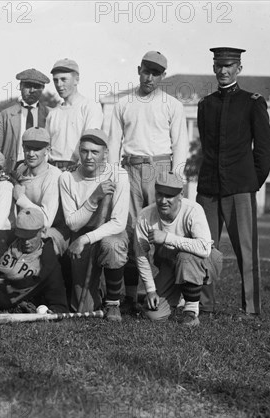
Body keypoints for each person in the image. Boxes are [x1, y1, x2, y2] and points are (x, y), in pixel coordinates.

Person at [107, 51, 189, 311]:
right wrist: (113, 173)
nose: (149, 77)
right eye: (146, 71)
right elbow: (112, 143)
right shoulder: (123, 103)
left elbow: (180, 143)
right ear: (138, 70)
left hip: (161, 169)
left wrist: (176, 176)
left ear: (163, 76)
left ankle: (174, 293)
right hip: (131, 168)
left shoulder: (172, 104)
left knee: (166, 231)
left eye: (156, 73)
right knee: (132, 231)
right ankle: (131, 295)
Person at [196, 47, 270, 318]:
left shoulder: (252, 102)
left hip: (240, 189)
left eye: (229, 65)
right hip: (208, 189)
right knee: (203, 245)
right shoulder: (205, 104)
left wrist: (250, 183)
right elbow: (207, 145)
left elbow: (265, 150)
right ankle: (203, 304)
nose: (223, 70)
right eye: (218, 65)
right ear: (214, 66)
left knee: (246, 250)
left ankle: (251, 309)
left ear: (239, 68)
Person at [136, 172, 222, 327]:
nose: (163, 201)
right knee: (153, 314)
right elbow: (141, 255)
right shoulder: (145, 215)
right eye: (159, 194)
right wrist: (150, 290)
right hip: (171, 264)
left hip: (205, 261)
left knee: (185, 256)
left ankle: (191, 312)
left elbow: (204, 248)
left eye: (169, 196)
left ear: (181, 194)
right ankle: (178, 296)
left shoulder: (193, 210)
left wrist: (167, 238)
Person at [60, 129, 129, 320]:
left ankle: (113, 302)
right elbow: (73, 224)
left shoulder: (119, 175)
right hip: (80, 234)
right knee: (83, 310)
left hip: (109, 232)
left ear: (105, 154)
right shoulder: (67, 177)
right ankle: (96, 295)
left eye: (95, 152)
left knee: (113, 245)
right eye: (84, 151)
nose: (88, 157)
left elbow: (118, 222)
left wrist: (85, 239)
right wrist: (94, 198)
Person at [12, 127, 69, 255]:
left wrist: (20, 199)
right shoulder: (21, 168)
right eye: (28, 148)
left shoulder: (53, 175)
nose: (31, 154)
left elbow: (47, 221)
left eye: (37, 149)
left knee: (36, 246)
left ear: (47, 150)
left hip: (53, 230)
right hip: (25, 227)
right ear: (23, 147)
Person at [0, 68, 50, 172]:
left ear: (42, 88)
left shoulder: (49, 115)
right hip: (11, 170)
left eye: (36, 87)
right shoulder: (4, 116)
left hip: (41, 171)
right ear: (20, 86)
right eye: (28, 86)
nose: (32, 90)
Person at [46, 58, 104, 170]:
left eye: (64, 79)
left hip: (78, 168)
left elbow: (89, 142)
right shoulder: (53, 114)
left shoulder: (90, 106)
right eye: (56, 80)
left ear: (76, 80)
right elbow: (46, 148)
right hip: (52, 169)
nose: (59, 84)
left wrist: (77, 168)